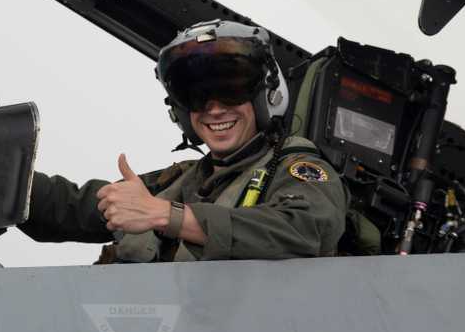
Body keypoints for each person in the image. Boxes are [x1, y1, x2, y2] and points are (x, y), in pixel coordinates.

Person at [21, 20, 347, 262]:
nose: (214, 109)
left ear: (267, 95)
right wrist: (4, 173)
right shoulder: (180, 181)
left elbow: (306, 229)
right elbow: (71, 207)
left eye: (231, 91)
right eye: (198, 97)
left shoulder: (298, 169)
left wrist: (167, 216)